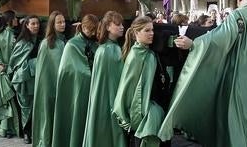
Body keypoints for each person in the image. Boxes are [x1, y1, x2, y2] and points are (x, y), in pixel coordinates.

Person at [158, 0, 247, 146]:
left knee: (237, 117)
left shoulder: (238, 15)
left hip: (240, 78)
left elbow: (218, 39)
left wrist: (193, 44)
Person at [113, 16, 171, 147]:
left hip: (157, 106)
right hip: (146, 113)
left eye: (152, 30)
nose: (152, 33)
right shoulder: (135, 56)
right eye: (147, 30)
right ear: (136, 33)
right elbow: (127, 89)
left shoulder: (150, 53)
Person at [52, 14, 99, 147]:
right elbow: (76, 70)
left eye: (95, 30)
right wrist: (94, 76)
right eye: (90, 30)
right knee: (76, 117)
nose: (93, 33)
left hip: (91, 88)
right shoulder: (72, 45)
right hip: (78, 89)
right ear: (83, 27)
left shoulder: (94, 43)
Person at [83, 11, 126, 147]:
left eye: (122, 24)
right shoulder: (109, 50)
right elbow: (114, 83)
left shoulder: (106, 48)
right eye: (117, 24)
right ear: (108, 27)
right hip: (110, 101)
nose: (122, 27)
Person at [32, 11, 66, 147]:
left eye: (63, 21)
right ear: (52, 24)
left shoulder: (63, 42)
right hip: (47, 86)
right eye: (59, 22)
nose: (63, 24)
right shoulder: (46, 44)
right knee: (48, 113)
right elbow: (42, 70)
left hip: (60, 85)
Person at [8, 15, 42, 144]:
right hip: (25, 80)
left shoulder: (41, 41)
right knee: (26, 107)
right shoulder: (22, 43)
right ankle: (26, 133)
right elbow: (16, 63)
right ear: (26, 25)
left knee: (36, 107)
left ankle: (35, 131)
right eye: (32, 24)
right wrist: (36, 62)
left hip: (37, 79)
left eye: (37, 23)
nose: (35, 26)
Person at [0, 10, 20, 138]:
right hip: (9, 71)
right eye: (15, 18)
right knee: (10, 101)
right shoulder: (13, 37)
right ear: (10, 21)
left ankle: (4, 128)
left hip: (1, 72)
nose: (17, 21)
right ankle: (10, 128)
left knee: (4, 102)